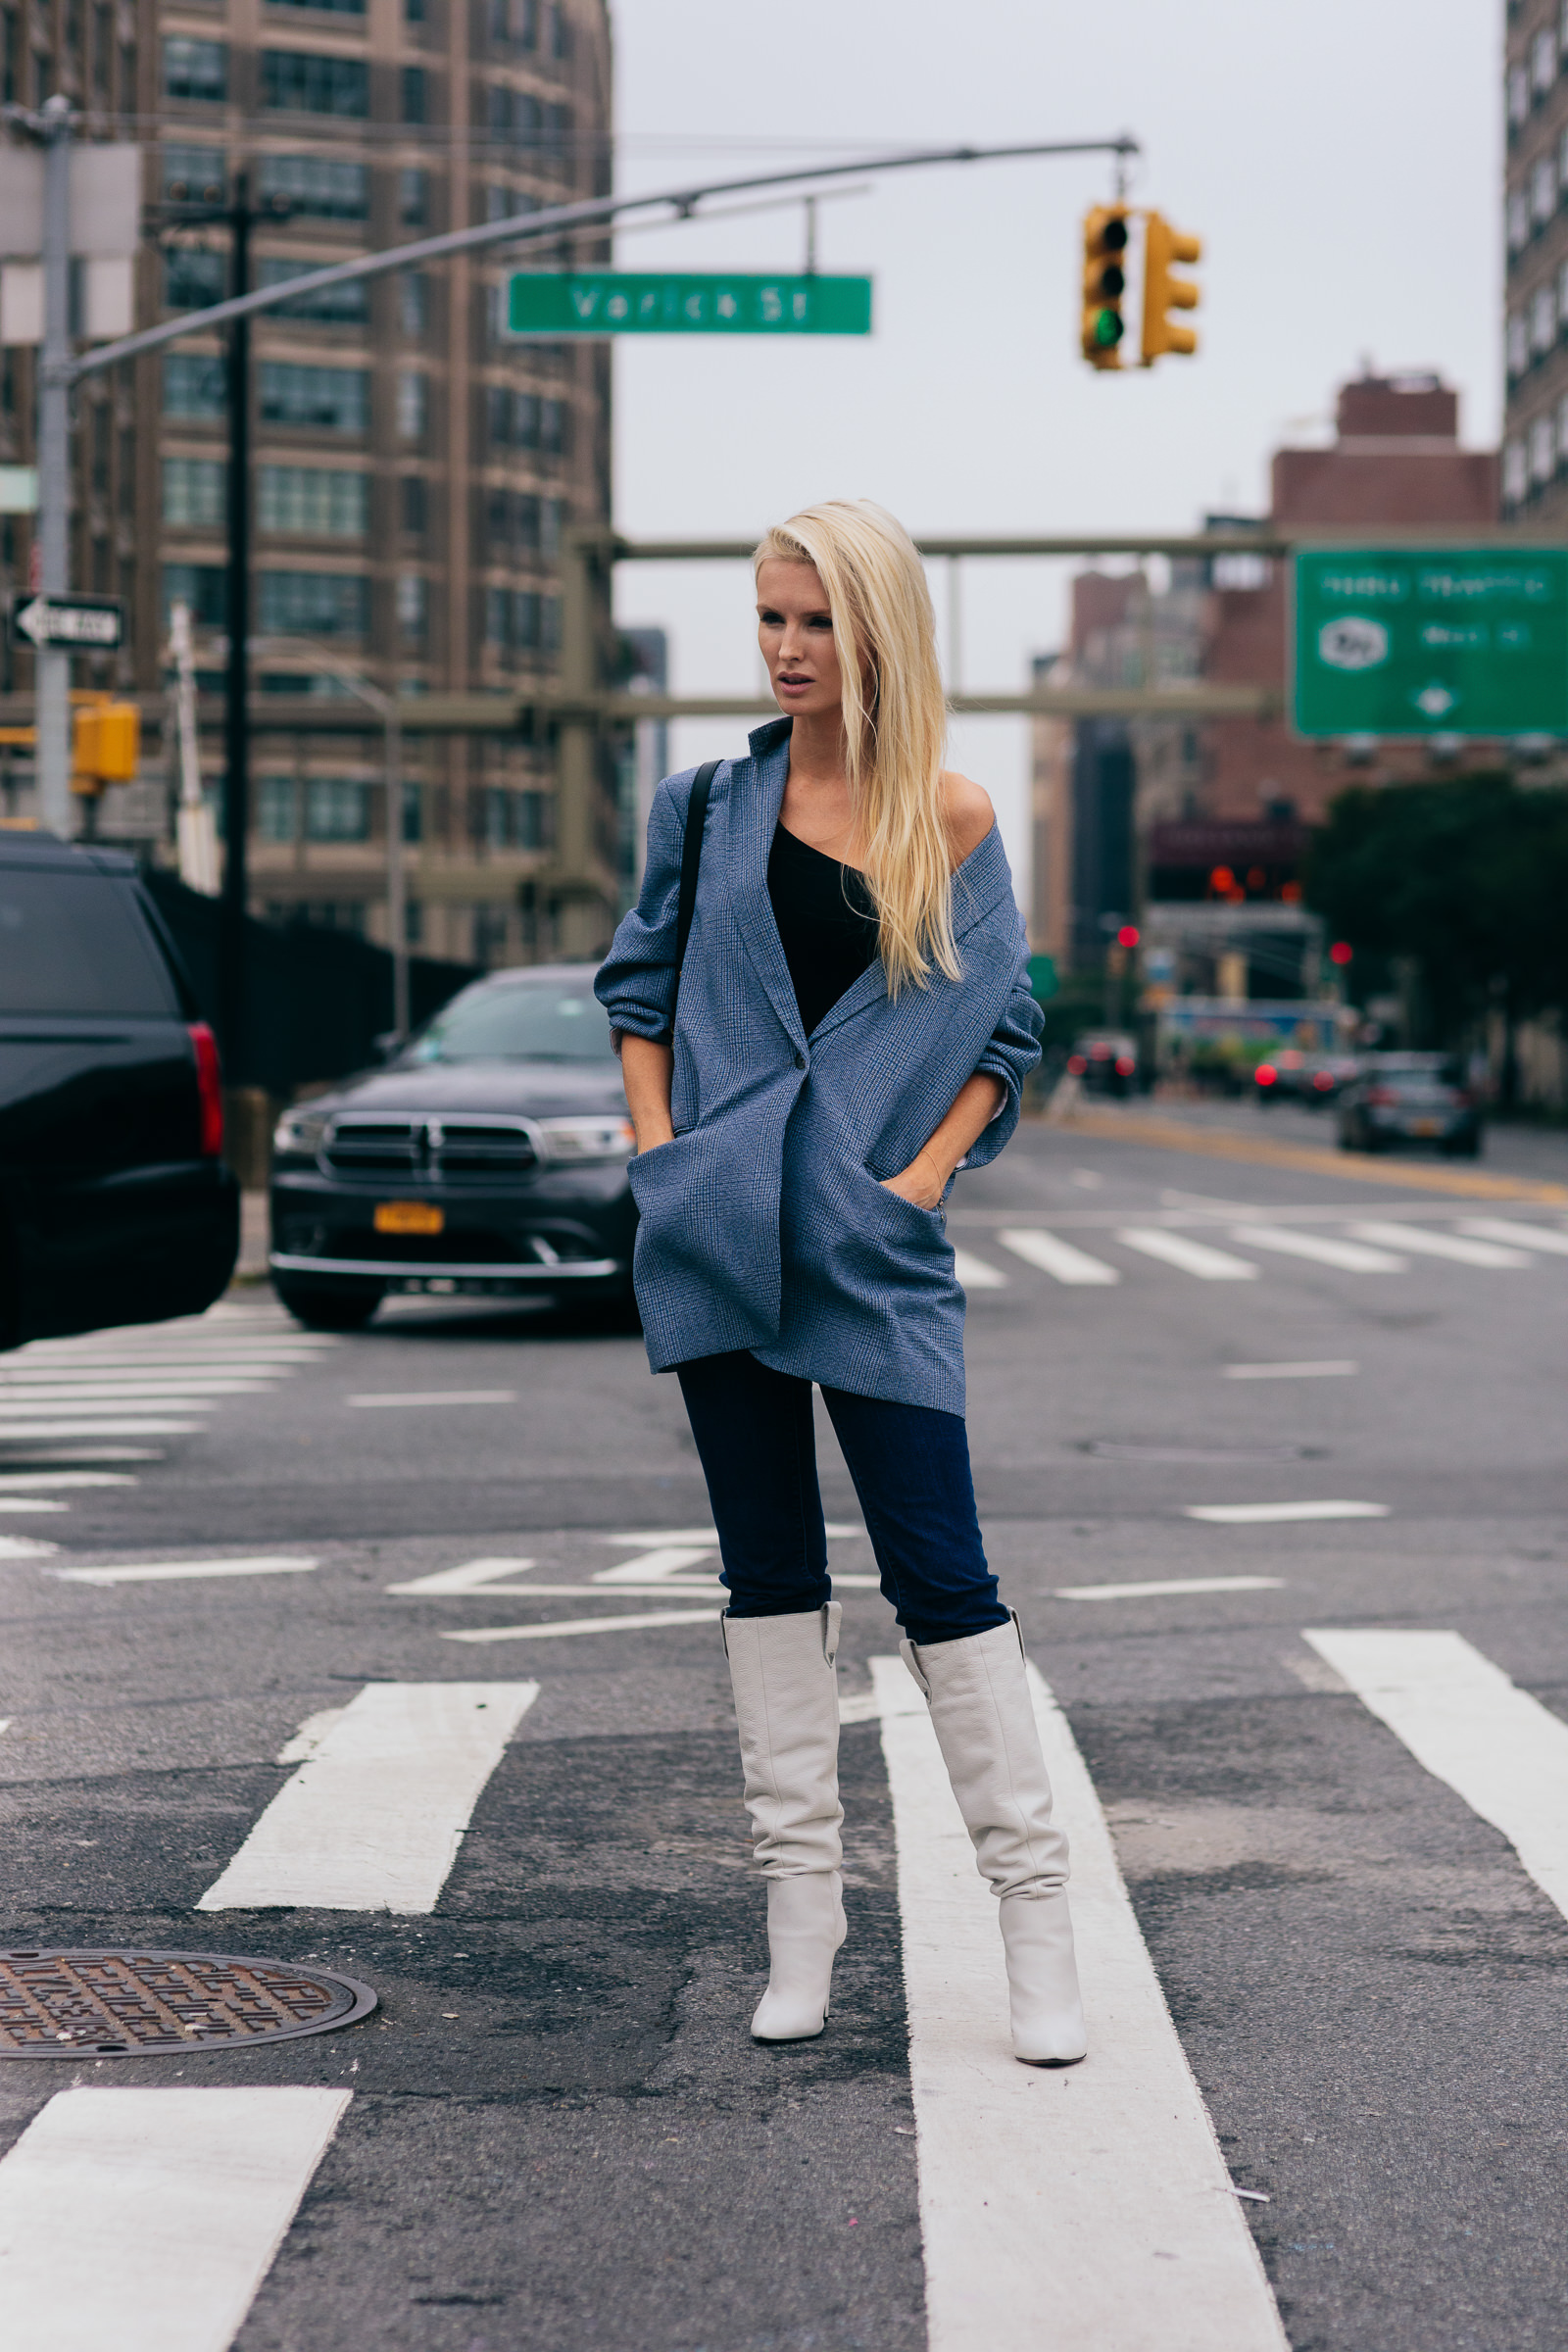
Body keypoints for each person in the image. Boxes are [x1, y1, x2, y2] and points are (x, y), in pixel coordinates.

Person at [594, 499, 1085, 2066]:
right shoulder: (706, 803)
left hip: (874, 1256)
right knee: (768, 1581)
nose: (789, 649)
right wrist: (664, 1157)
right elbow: (640, 989)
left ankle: (1037, 1930)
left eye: (816, 621)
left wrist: (929, 1173)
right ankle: (800, 1930)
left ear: (878, 632)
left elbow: (1007, 1035)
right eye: (770, 620)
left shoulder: (949, 818)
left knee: (946, 1582)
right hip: (718, 1236)